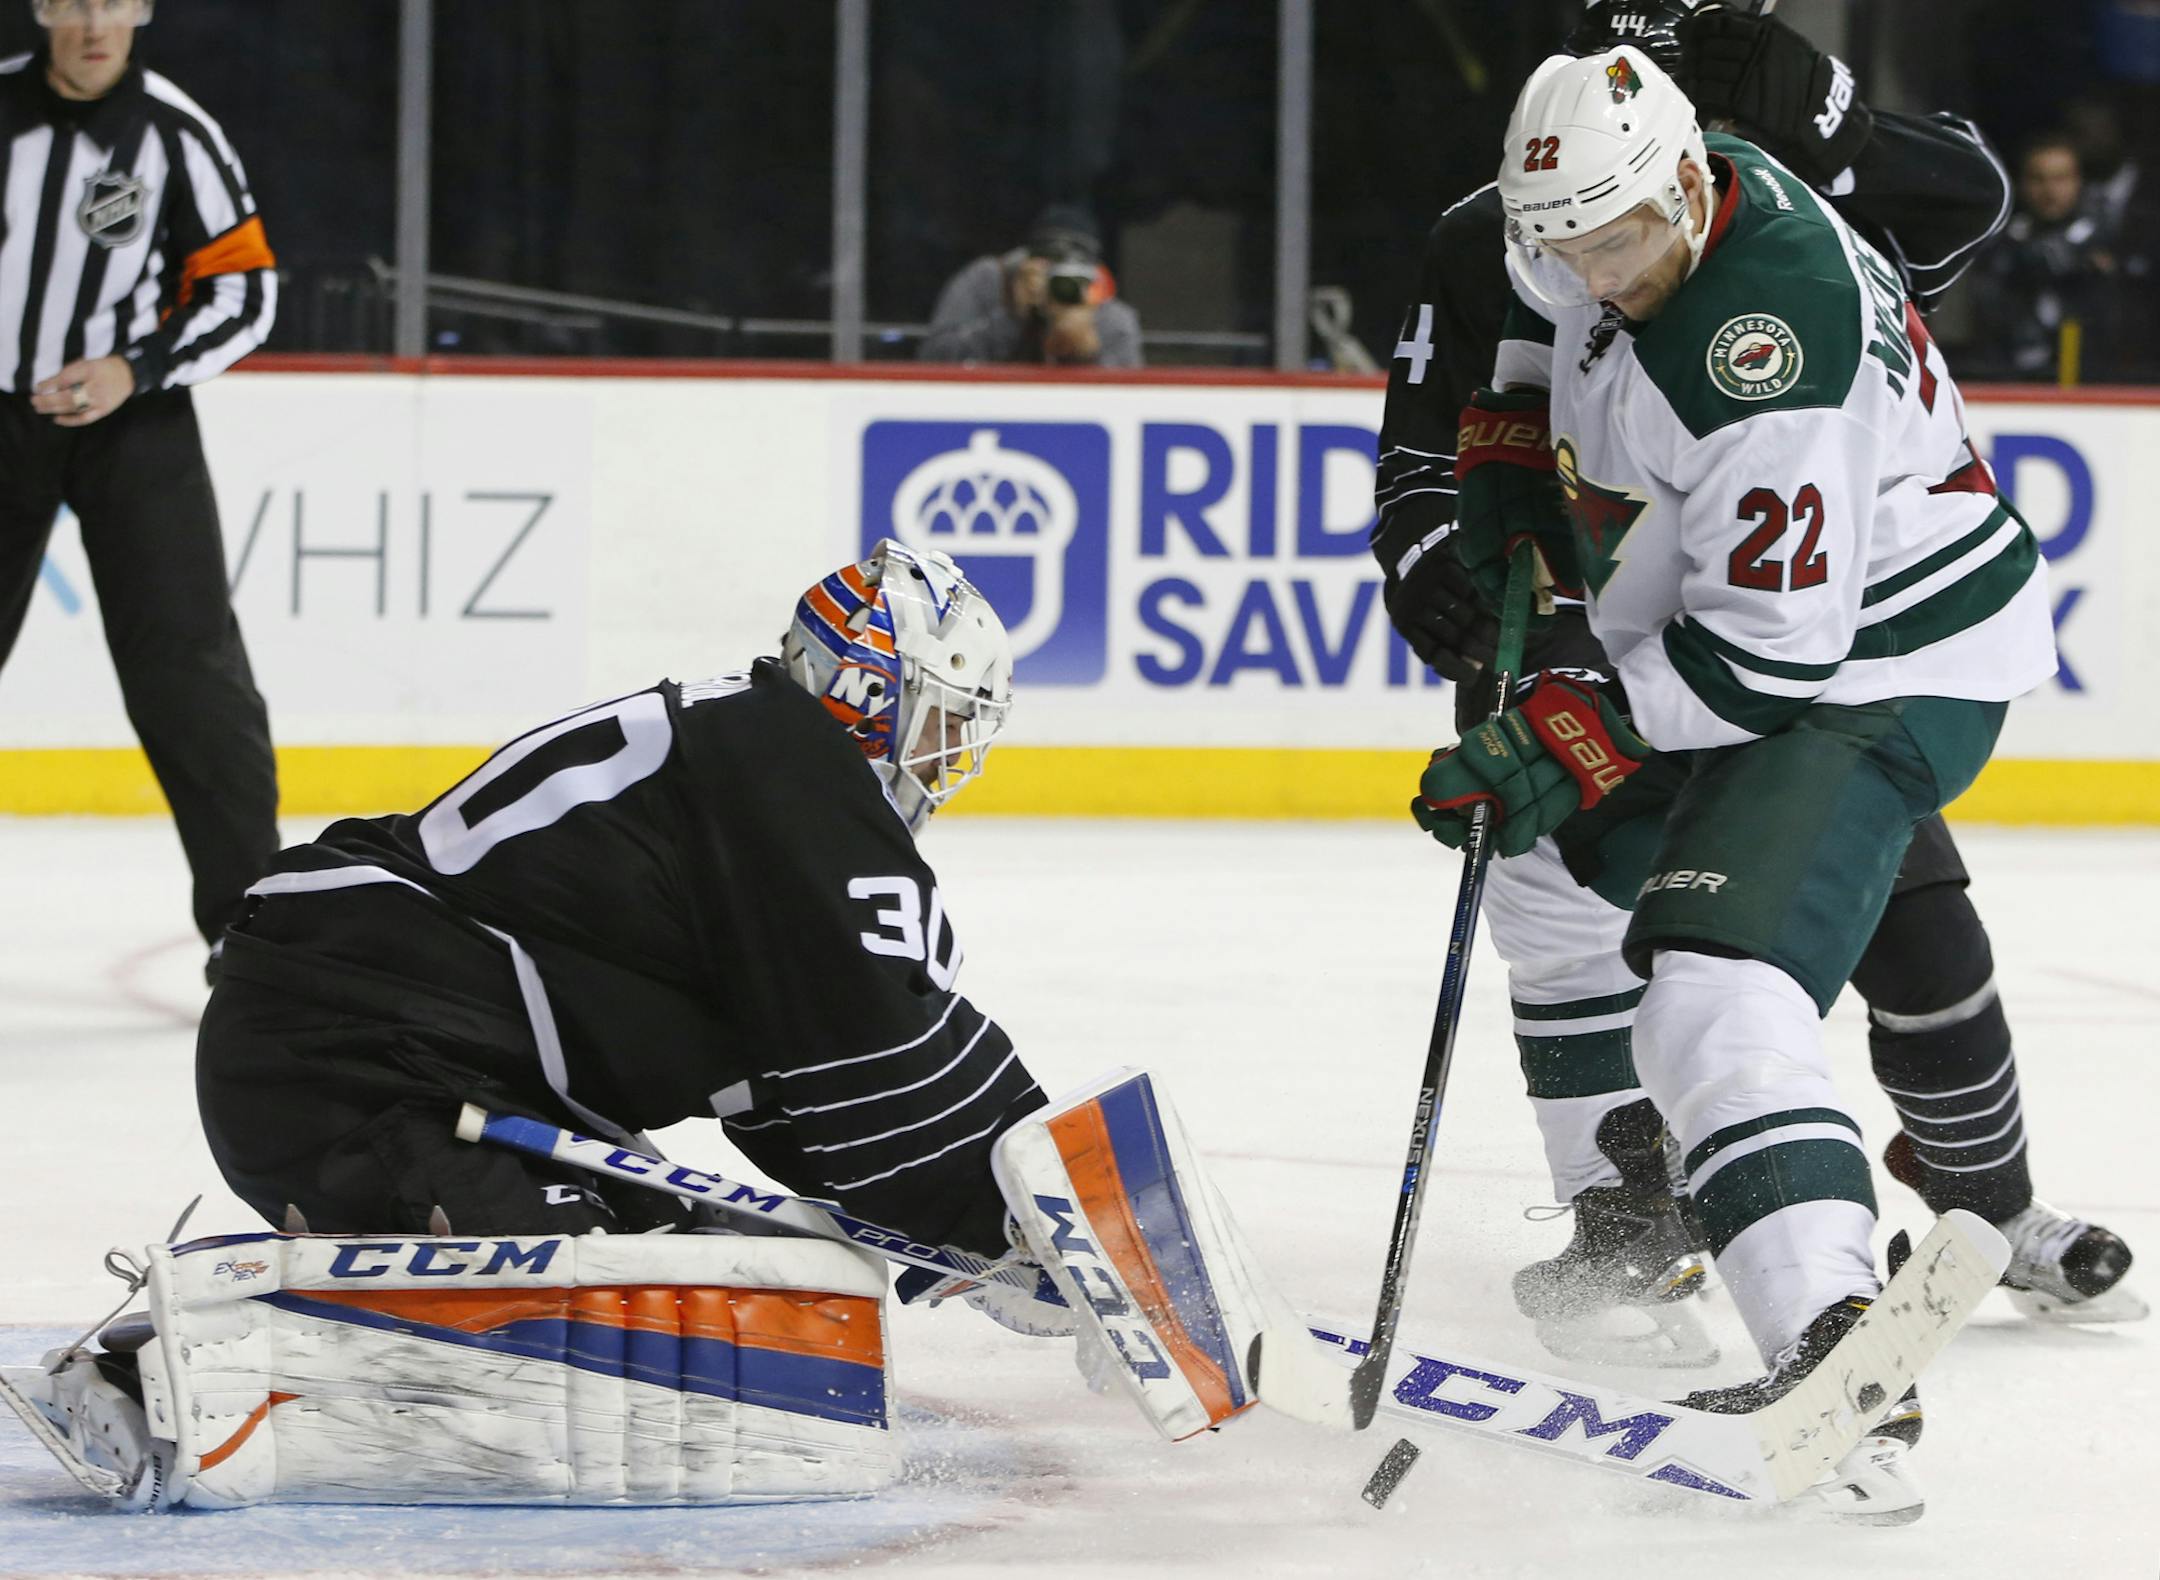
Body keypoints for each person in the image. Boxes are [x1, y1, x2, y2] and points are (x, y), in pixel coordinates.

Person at [5, 542, 1312, 1510]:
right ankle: (170, 1366)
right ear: (867, 695)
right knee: (677, 1315)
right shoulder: (782, 768)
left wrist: (979, 1244)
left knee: (748, 1296)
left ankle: (298, 1304)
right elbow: (889, 1053)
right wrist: (1032, 1219)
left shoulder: (748, 800)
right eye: (937, 724)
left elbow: (803, 1106)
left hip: (375, 1041)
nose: (943, 763)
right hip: (351, 1035)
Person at [1371, 0, 2137, 1375]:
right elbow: (1512, 372)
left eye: (1615, 240)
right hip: (1712, 635)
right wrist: (1497, 520)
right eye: (1563, 243)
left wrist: (1583, 714)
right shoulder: (1597, 220)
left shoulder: (1758, 335)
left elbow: (1767, 655)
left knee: (1757, 969)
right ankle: (1634, 1215)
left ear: (1684, 159)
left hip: (1848, 660)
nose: (1593, 272)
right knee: (1570, 869)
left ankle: (1907, 1269)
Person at [0, 0, 279, 971]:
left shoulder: (176, 131)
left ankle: (254, 941)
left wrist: (136, 365)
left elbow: (246, 290)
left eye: (111, 2)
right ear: (40, 11)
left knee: (192, 679)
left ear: (142, 10)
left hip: (134, 426)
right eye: (71, 2)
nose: (92, 23)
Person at [1965, 132, 2127, 382]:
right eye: (2038, 179)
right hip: (2011, 380)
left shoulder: (2111, 241)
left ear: (2078, 181)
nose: (2050, 190)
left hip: (2102, 384)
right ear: (2020, 183)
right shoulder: (1998, 245)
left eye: (2061, 178)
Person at [919, 203, 1143, 368]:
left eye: (1075, 269)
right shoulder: (990, 279)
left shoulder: (1110, 315)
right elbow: (932, 359)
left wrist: (1088, 352)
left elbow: (1128, 401)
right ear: (1025, 258)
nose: (1060, 277)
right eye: (1048, 262)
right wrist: (1011, 317)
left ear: (1094, 271)